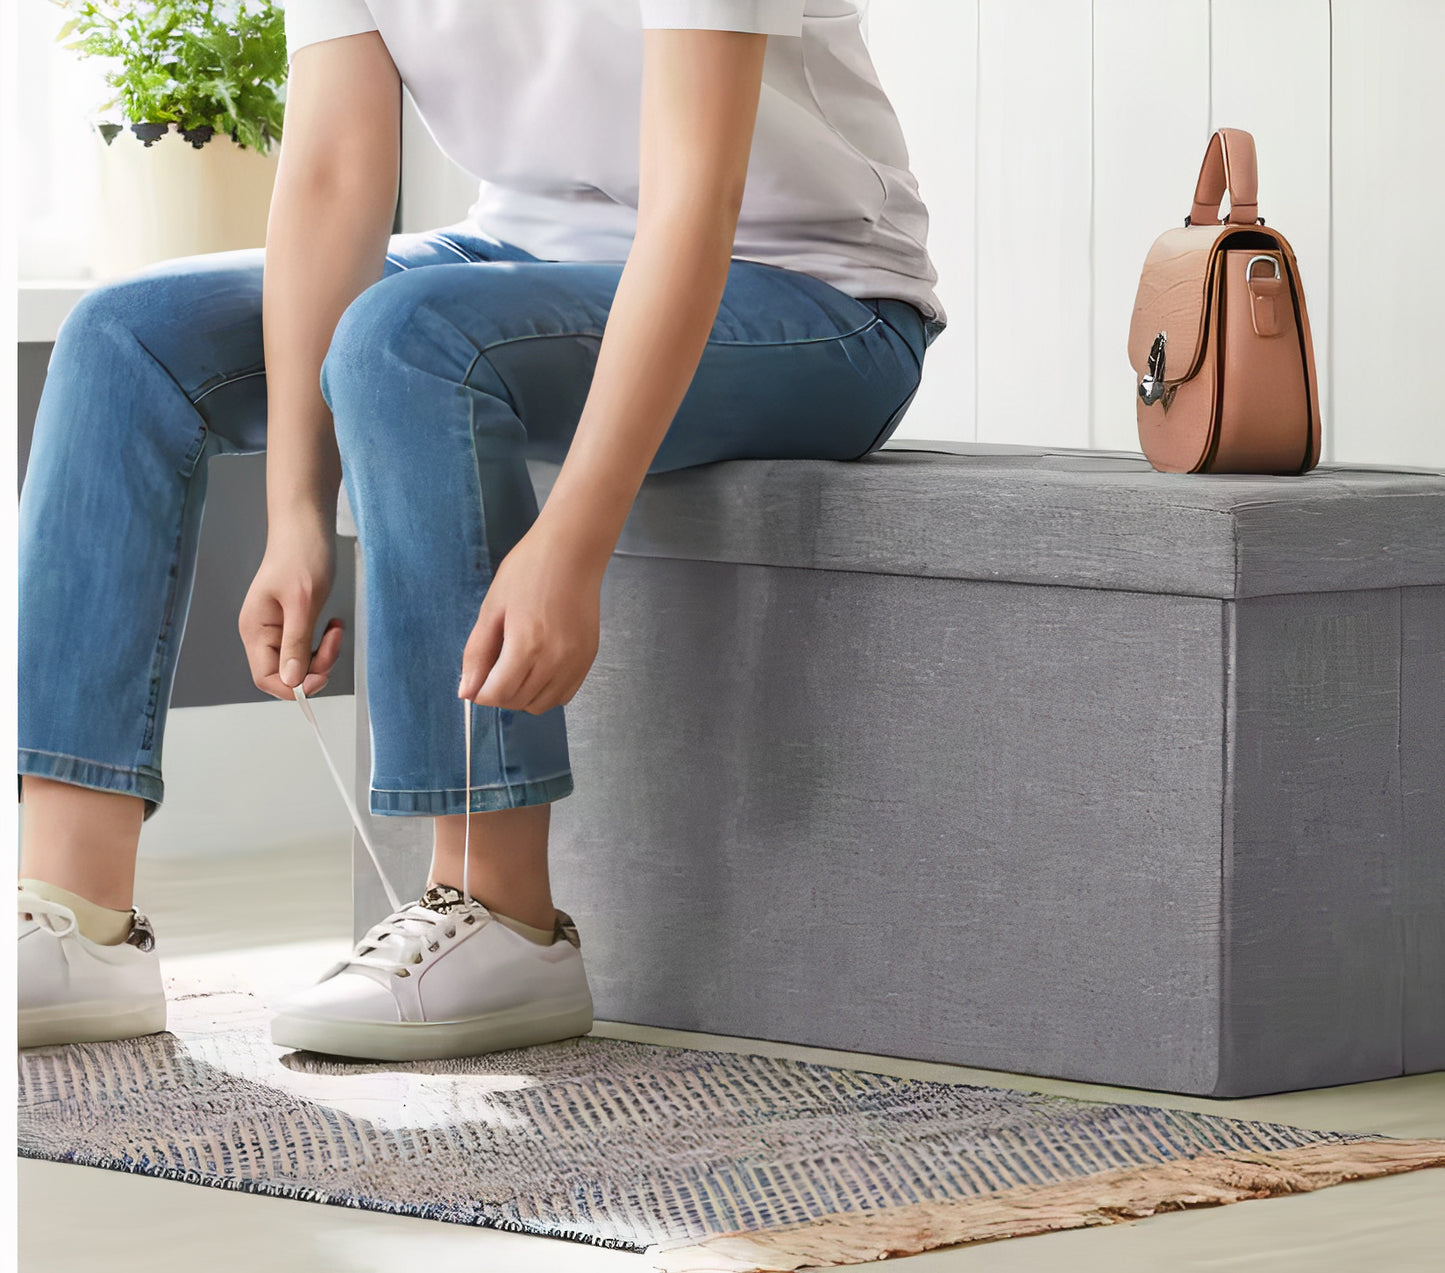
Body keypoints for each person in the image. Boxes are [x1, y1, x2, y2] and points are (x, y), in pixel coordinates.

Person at [17, 0, 947, 1058]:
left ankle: (502, 915)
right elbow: (331, 182)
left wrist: (570, 542)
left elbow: (697, 199)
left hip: (815, 298)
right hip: (516, 263)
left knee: (410, 337)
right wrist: (296, 511)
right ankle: (73, 915)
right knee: (122, 339)